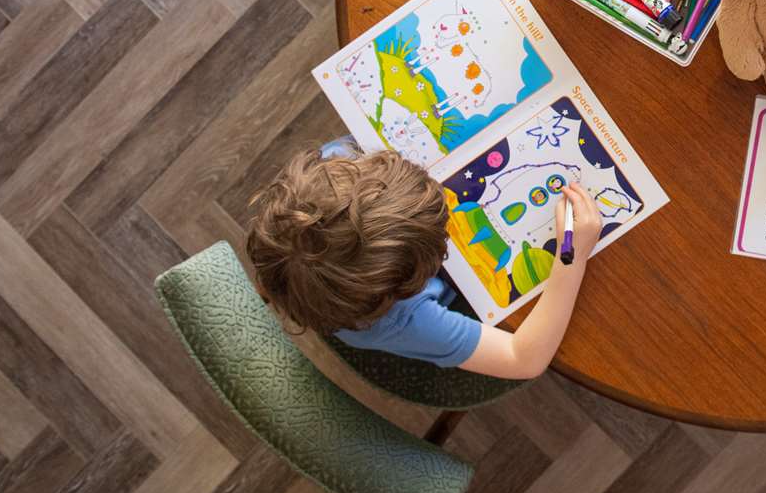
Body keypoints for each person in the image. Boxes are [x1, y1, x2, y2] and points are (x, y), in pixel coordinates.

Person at [246, 144, 601, 378]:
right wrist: (572, 254)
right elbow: (525, 359)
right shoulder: (403, 321)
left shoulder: (333, 168)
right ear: (412, 279)